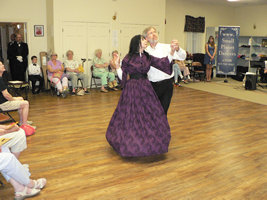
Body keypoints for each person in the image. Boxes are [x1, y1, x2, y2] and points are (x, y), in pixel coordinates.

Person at [106, 35, 177, 157]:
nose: (146, 41)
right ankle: (129, 142)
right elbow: (122, 76)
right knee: (131, 116)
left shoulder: (148, 56)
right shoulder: (128, 58)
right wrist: (117, 66)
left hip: (146, 88)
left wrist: (171, 52)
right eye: (143, 40)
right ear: (137, 43)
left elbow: (163, 63)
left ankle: (152, 141)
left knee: (151, 114)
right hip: (132, 88)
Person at [143, 27, 186, 114]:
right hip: (151, 85)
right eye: (150, 33)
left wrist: (177, 49)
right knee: (152, 112)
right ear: (146, 38)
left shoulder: (167, 47)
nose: (154, 34)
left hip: (166, 84)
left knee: (163, 112)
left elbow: (182, 56)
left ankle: (162, 127)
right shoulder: (145, 51)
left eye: (155, 32)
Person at [0, 60, 35, 128]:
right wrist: (13, 99)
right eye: (1, 65)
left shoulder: (1, 78)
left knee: (21, 99)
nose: (3, 65)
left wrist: (14, 99)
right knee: (25, 103)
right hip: (2, 104)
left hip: (3, 101)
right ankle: (25, 125)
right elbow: (6, 95)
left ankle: (22, 121)